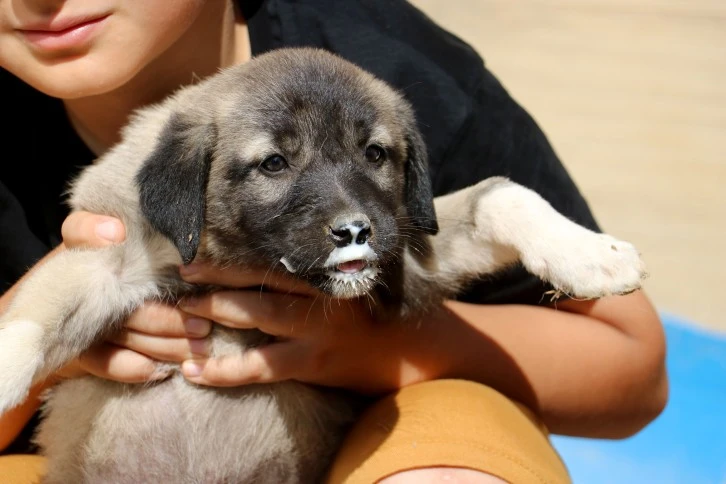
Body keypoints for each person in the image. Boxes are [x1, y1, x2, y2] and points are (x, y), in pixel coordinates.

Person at [0, 0, 668, 482]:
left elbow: (633, 371)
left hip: (351, 455)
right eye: (272, 163)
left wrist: (379, 344)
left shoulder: (391, 72)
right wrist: (53, 334)